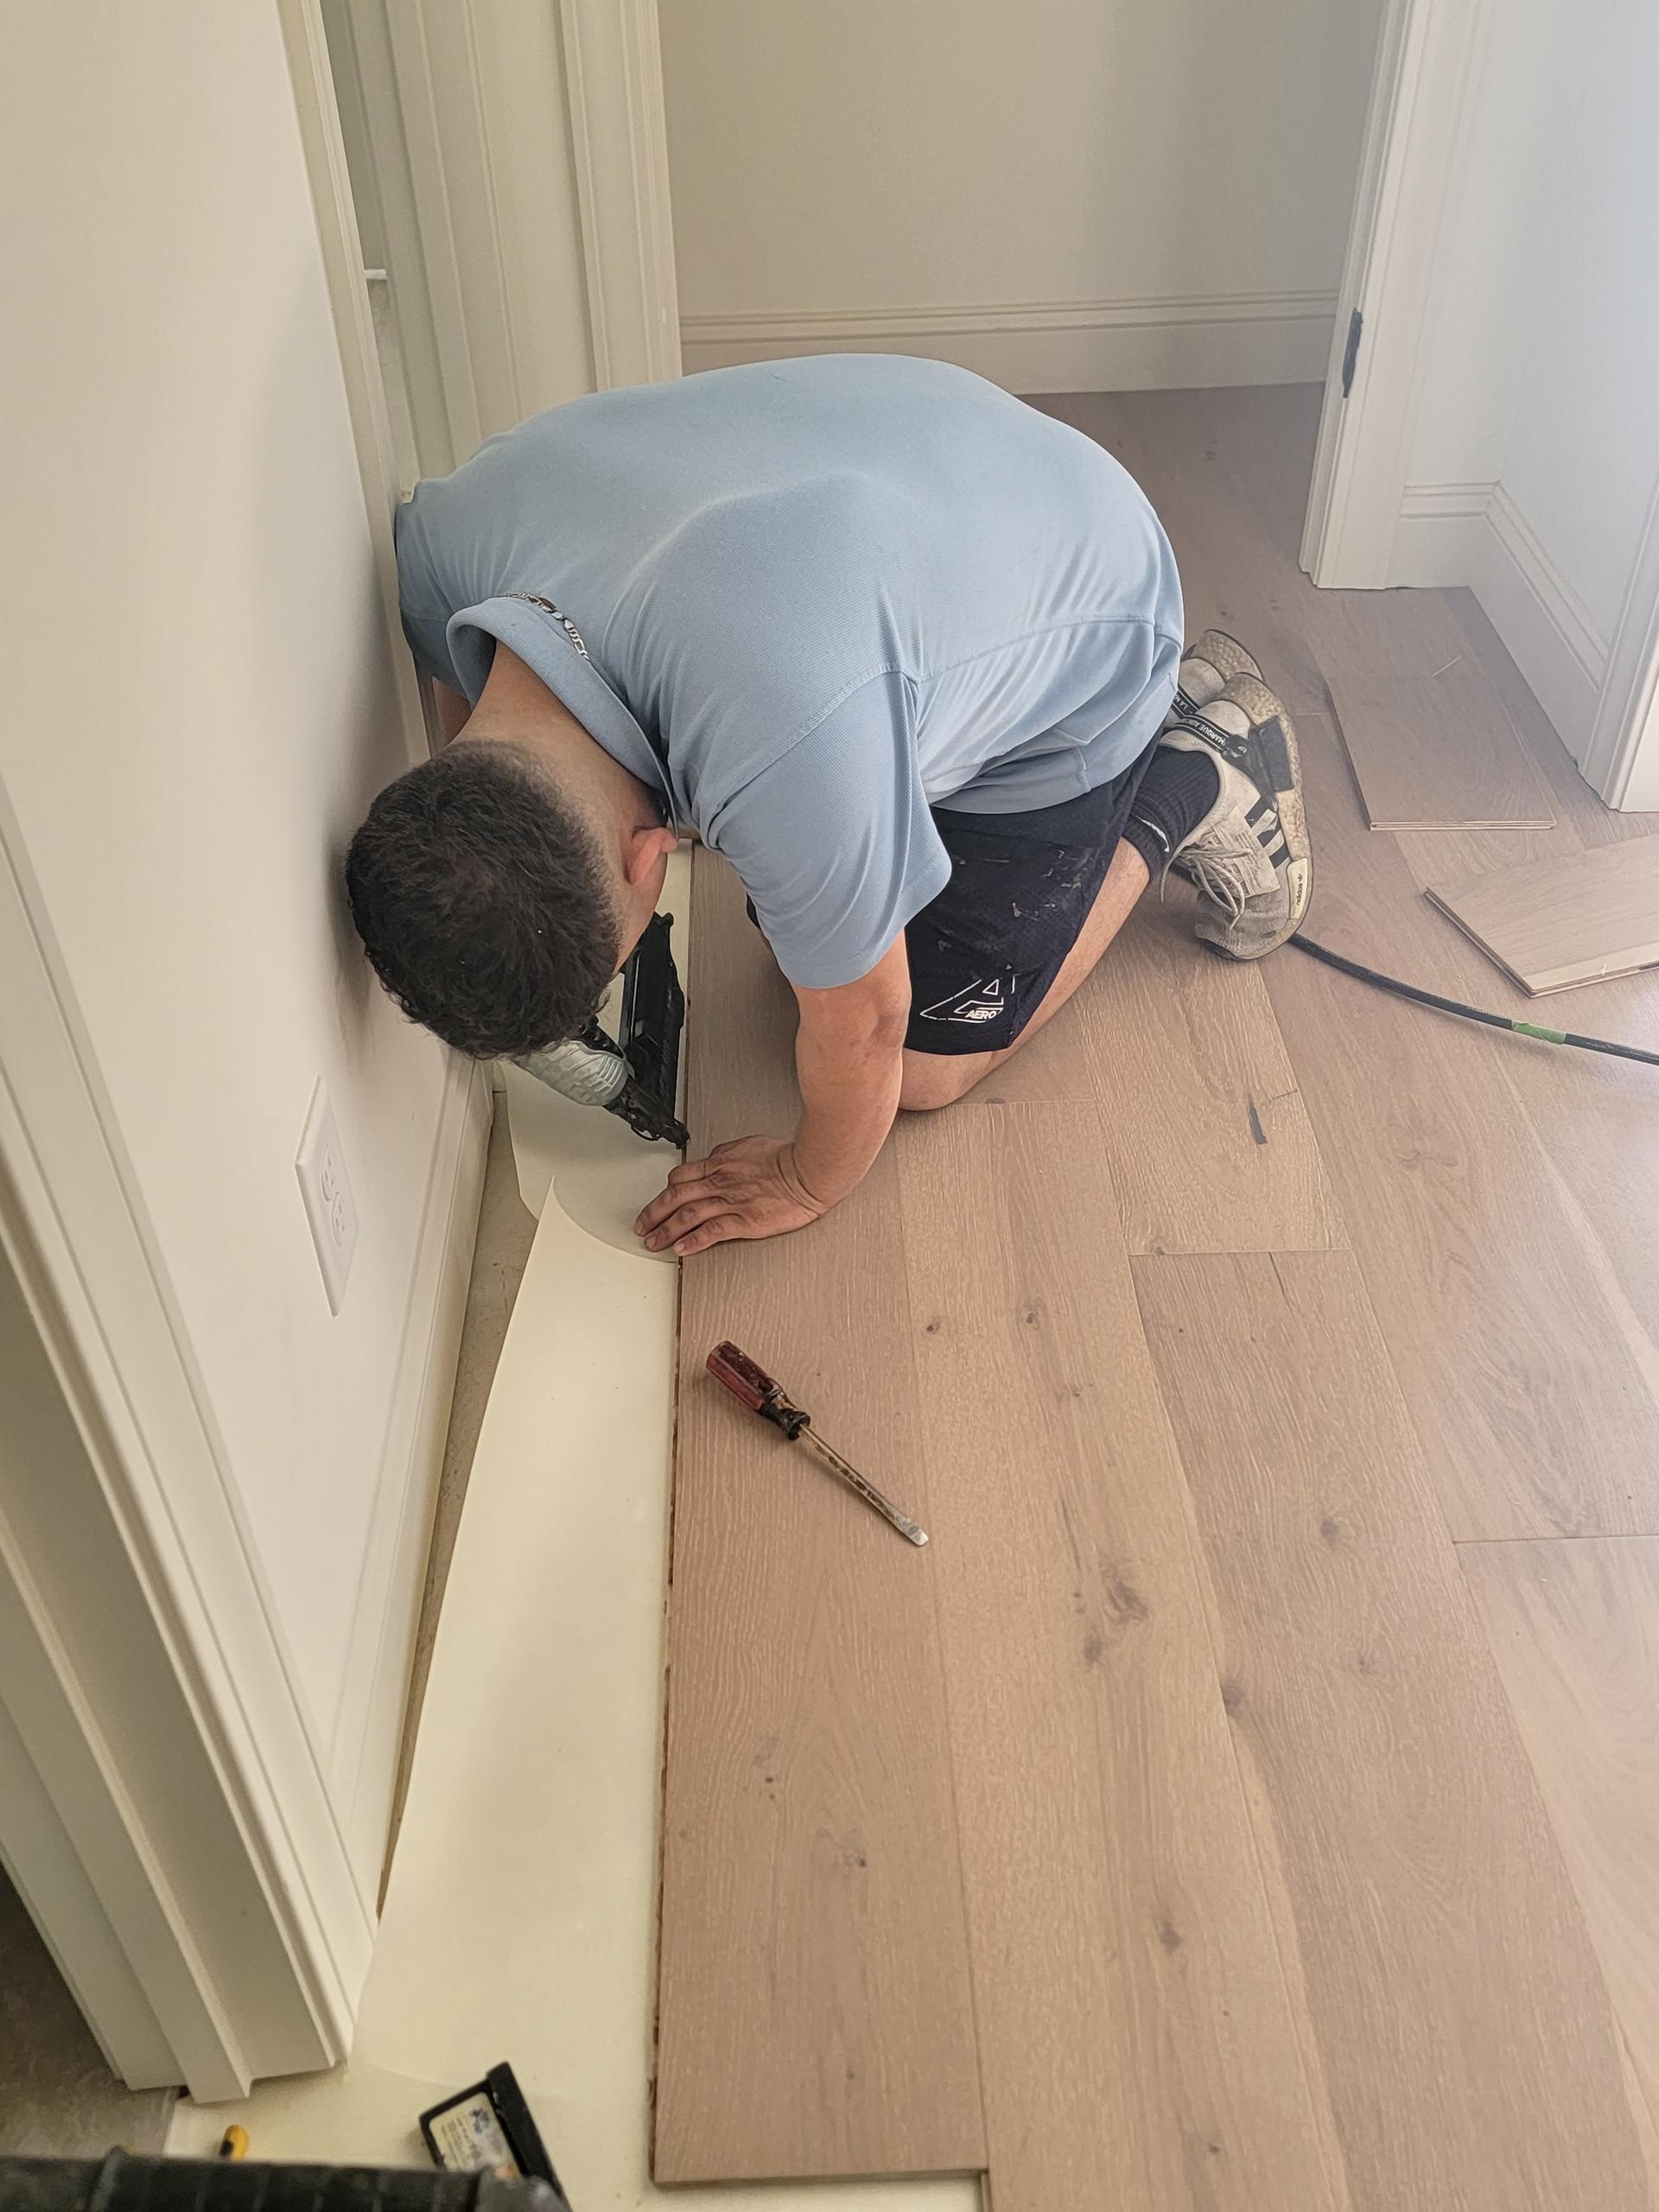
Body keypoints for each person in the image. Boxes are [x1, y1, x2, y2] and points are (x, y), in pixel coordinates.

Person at [346, 354, 1312, 1256]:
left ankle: (1195, 769)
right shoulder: (443, 549)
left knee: (919, 1072)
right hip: (938, 454)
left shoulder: (783, 748)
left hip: (1098, 601)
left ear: (654, 854)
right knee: (811, 929)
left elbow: (872, 1022)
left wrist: (807, 1179)